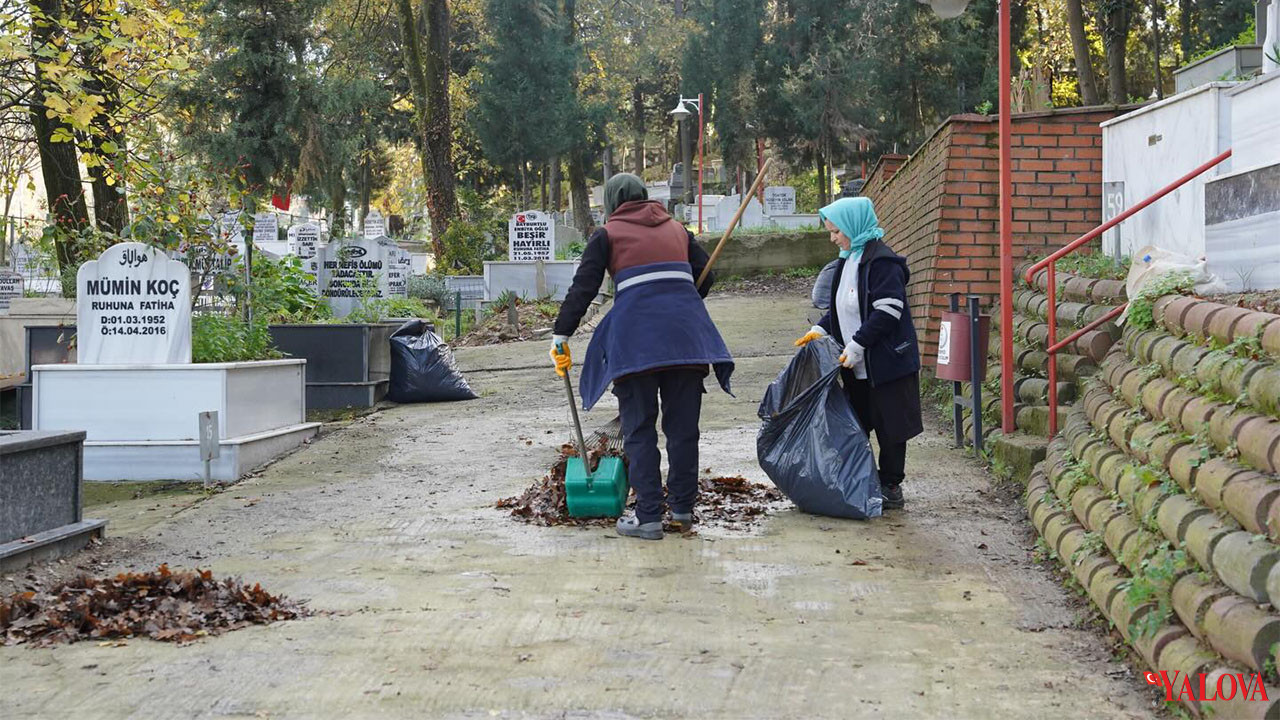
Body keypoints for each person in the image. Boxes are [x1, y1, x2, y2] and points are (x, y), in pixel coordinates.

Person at [551, 173, 734, 540]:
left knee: (640, 430)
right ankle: (683, 509)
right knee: (683, 430)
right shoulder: (678, 231)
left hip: (636, 346)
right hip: (686, 341)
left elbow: (584, 287)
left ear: (612, 200)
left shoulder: (607, 234)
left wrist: (561, 333)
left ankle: (648, 516)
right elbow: (706, 278)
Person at [794, 197, 922, 510]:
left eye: (836, 231)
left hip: (886, 362)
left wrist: (857, 344)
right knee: (856, 424)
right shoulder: (846, 260)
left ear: (853, 226)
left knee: (891, 427)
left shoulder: (882, 263)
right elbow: (840, 309)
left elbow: (887, 312)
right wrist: (821, 330)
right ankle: (860, 479)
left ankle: (891, 485)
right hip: (855, 364)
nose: (832, 237)